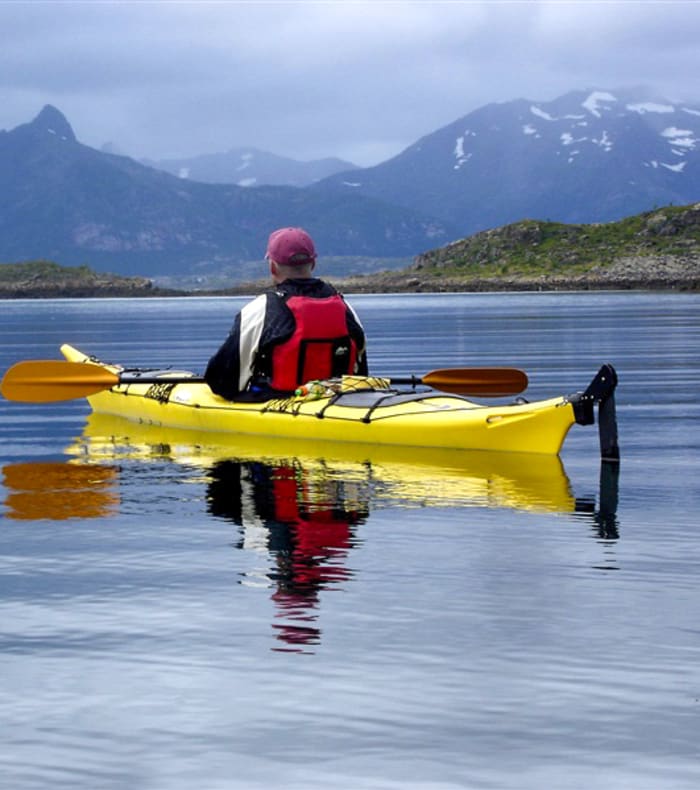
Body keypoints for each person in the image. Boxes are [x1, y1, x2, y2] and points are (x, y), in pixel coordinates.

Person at [204, 227, 368, 400]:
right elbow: (362, 375)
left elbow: (221, 381)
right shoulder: (345, 308)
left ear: (273, 267)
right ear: (313, 264)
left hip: (278, 408)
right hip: (339, 408)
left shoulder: (261, 309)